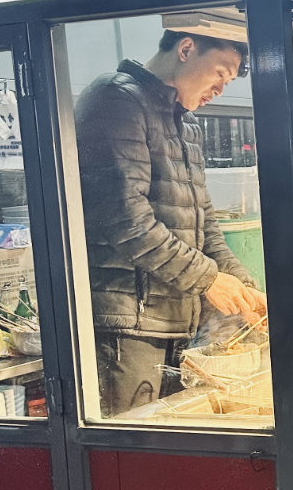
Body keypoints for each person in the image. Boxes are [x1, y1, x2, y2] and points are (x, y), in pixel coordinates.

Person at [74, 27, 267, 417]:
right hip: (127, 326)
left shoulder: (187, 122)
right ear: (187, 48)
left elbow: (204, 225)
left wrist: (244, 288)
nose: (220, 90)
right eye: (219, 74)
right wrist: (209, 280)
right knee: (134, 454)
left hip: (175, 321)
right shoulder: (116, 99)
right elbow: (126, 220)